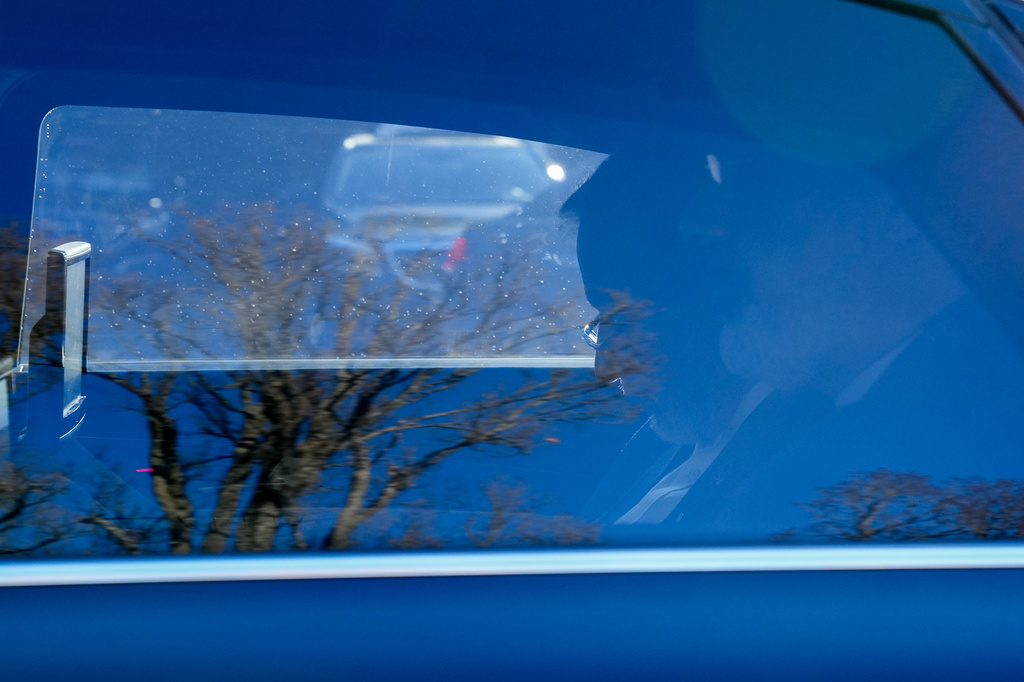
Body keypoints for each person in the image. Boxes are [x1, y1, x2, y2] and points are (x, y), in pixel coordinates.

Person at [564, 134, 1024, 541]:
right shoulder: (677, 432)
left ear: (891, 205)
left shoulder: (952, 446)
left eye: (741, 179)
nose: (707, 225)